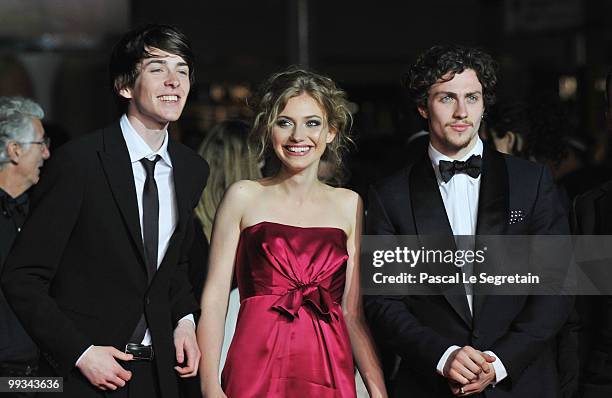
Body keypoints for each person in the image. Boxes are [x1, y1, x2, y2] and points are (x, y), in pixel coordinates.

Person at [1, 24, 209, 398]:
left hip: (159, 375)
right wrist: (79, 352)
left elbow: (172, 268)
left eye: (182, 70)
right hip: (87, 376)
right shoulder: (79, 162)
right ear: (125, 86)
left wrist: (185, 320)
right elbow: (22, 276)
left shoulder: (191, 169)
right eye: (158, 68)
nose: (174, 81)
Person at [365, 45, 571, 397]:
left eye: (472, 98)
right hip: (431, 385)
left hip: (520, 383)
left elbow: (558, 285)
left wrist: (500, 362)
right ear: (422, 107)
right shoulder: (390, 196)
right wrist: (443, 356)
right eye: (447, 98)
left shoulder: (531, 182)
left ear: (483, 104)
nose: (462, 112)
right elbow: (382, 301)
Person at [197, 67, 387, 398]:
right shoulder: (244, 196)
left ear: (331, 132)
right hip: (253, 368)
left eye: (312, 123)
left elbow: (352, 313)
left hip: (329, 369)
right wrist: (210, 386)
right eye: (285, 122)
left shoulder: (349, 204)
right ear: (269, 130)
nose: (298, 135)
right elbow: (214, 300)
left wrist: (377, 390)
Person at [0, 97, 50, 397]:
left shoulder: (40, 213)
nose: (46, 153)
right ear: (14, 151)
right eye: (40, 144)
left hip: (39, 377)